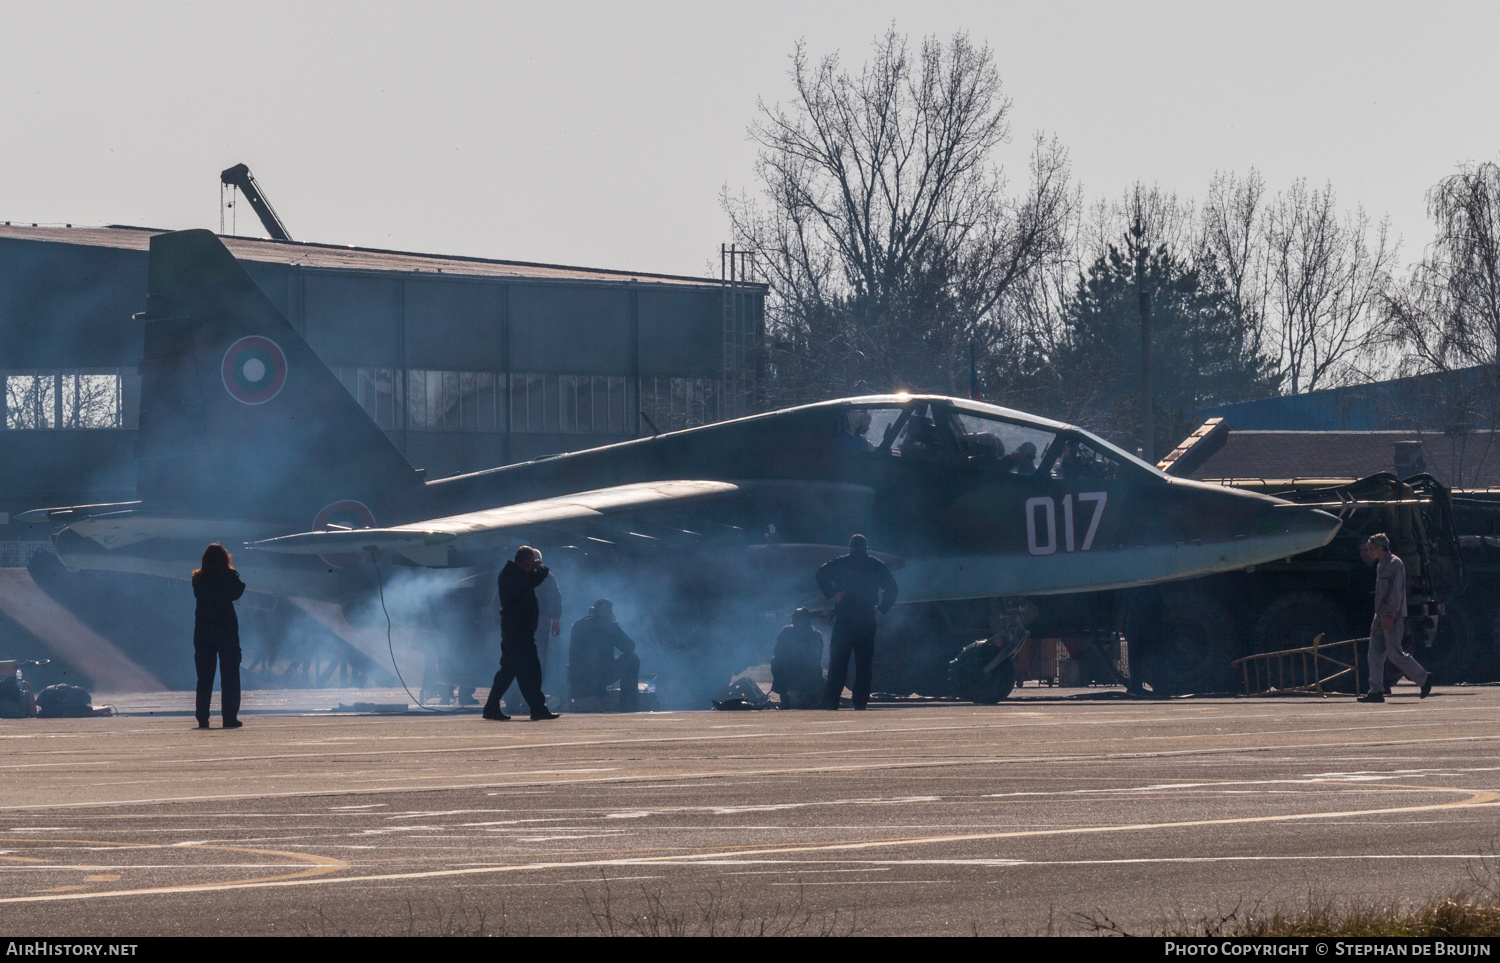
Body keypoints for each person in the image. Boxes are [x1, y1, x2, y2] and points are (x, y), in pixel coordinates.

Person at [816, 534, 898, 710]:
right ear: (866, 548)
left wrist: (832, 594)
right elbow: (892, 588)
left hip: (845, 619)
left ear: (850, 547)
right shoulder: (876, 564)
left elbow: (820, 572)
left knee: (838, 662)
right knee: (864, 664)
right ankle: (860, 702)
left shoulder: (841, 562)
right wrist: (882, 608)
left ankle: (831, 701)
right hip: (866, 619)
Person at [482, 546, 560, 721]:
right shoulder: (514, 575)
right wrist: (541, 566)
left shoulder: (511, 573)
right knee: (530, 670)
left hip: (515, 630)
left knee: (508, 671)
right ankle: (538, 708)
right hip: (519, 632)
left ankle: (491, 707)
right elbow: (537, 577)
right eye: (531, 563)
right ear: (526, 562)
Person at [1357, 533, 1431, 704]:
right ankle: (1375, 691)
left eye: (1371, 549)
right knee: (1374, 654)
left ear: (1380, 549)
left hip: (1393, 616)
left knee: (1395, 654)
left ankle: (1424, 679)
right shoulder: (1381, 564)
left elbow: (1396, 593)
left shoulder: (1395, 564)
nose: (1369, 552)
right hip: (1380, 615)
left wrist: (1390, 614)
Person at [192, 542, 246, 729]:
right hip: (226, 631)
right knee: (230, 676)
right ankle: (229, 717)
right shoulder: (227, 576)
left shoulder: (197, 578)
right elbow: (237, 592)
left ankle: (202, 718)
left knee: (204, 678)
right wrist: (231, 573)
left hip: (203, 632)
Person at [567, 599, 641, 712]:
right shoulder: (608, 625)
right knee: (632, 659)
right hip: (598, 677)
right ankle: (627, 704)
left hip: (577, 680)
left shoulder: (577, 625)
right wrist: (612, 624)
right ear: (606, 612)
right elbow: (629, 647)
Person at [771, 608, 825, 709]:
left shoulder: (786, 631)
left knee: (775, 662)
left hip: (789, 675)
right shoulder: (816, 635)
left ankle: (785, 697)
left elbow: (777, 652)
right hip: (809, 676)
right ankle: (811, 697)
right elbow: (819, 657)